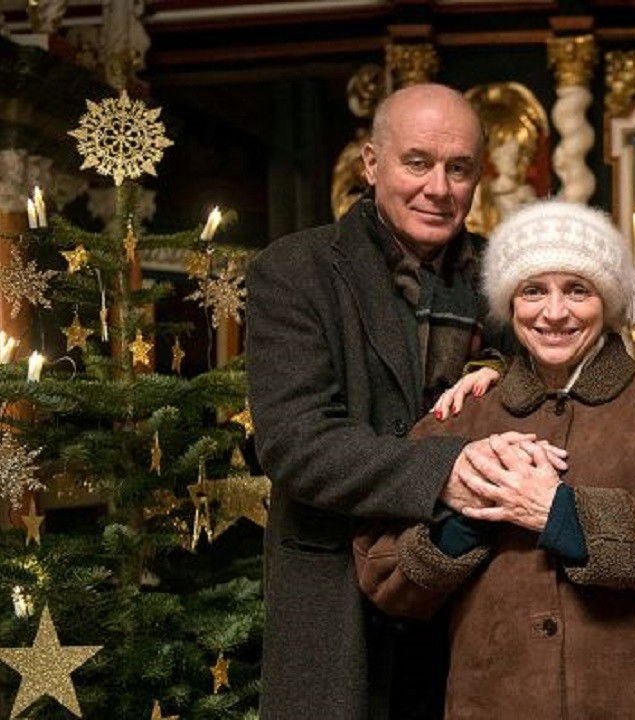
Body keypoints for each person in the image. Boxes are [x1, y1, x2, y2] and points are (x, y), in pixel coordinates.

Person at [352, 199, 635, 719]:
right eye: (533, 290)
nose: (554, 313)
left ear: (606, 300)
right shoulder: (464, 416)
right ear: (510, 304)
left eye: (577, 290)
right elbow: (382, 575)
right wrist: (472, 512)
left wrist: (561, 514)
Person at [246, 83, 563, 719]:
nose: (438, 188)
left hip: (472, 598)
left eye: (459, 169)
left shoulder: (509, 278)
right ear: (371, 163)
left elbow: (562, 394)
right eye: (417, 162)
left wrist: (500, 370)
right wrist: (448, 469)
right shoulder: (295, 270)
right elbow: (296, 444)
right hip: (338, 601)